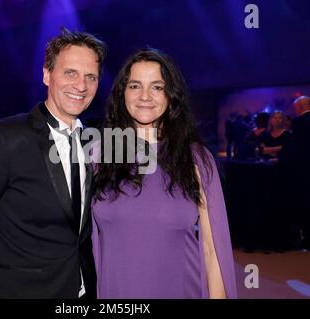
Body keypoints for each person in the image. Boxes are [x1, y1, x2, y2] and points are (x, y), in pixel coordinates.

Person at [0, 29, 107, 298]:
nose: (81, 86)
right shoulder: (3, 138)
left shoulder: (95, 142)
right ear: (47, 74)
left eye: (91, 77)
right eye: (70, 73)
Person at [90, 49, 237, 299]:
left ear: (171, 95)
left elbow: (214, 251)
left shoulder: (197, 159)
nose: (145, 96)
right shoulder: (98, 155)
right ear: (122, 93)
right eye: (135, 86)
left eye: (157, 87)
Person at [281, 96, 310, 250]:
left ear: (300, 107)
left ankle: (309, 239)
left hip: (301, 169)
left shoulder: (299, 122)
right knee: (305, 202)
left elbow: (297, 148)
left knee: (302, 203)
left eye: (295, 107)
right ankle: (308, 238)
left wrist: (282, 160)